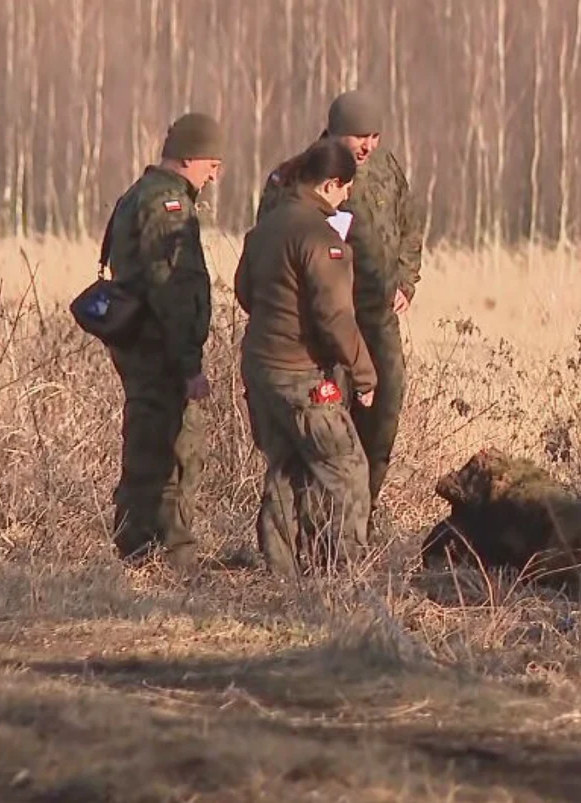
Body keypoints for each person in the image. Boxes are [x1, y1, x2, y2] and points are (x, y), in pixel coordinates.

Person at [256, 89, 424, 524]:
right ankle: (318, 527)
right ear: (332, 134)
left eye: (375, 136)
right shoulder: (299, 176)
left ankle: (361, 514)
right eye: (358, 138)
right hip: (323, 323)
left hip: (377, 317)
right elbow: (267, 247)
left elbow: (410, 223)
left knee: (384, 408)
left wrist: (406, 278)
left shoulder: (385, 169)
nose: (368, 146)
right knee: (326, 422)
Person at [236, 138, 378, 576]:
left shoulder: (267, 228)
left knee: (286, 467)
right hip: (303, 374)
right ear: (331, 184)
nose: (347, 198)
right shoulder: (321, 238)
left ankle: (281, 574)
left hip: (261, 367)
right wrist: (365, 374)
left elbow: (245, 292)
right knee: (348, 470)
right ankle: (345, 576)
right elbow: (334, 316)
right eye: (345, 189)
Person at [105, 112, 222, 569]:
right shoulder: (167, 204)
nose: (215, 174)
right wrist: (189, 362)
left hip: (144, 344)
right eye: (212, 162)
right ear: (189, 157)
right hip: (159, 349)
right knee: (177, 448)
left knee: (148, 442)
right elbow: (171, 286)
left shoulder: (140, 193)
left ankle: (138, 548)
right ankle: (171, 555)